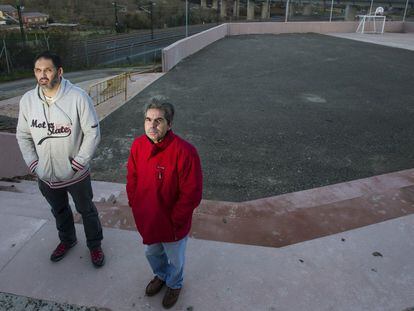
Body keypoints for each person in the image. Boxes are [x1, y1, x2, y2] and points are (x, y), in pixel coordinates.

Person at [16, 51, 105, 267]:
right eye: (38, 70)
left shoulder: (78, 97)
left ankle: (95, 246)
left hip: (76, 174)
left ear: (60, 71)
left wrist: (78, 162)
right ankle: (68, 240)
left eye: (47, 70)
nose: (42, 75)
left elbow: (93, 133)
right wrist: (34, 164)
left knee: (86, 210)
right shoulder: (28, 100)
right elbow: (23, 134)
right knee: (59, 210)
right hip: (46, 176)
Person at [126, 100, 202, 309]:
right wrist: (135, 204)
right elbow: (132, 177)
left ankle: (174, 283)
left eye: (158, 120)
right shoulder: (138, 145)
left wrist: (175, 221)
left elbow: (192, 193)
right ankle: (160, 275)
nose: (152, 125)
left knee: (175, 259)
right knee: (152, 253)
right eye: (148, 120)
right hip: (149, 219)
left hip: (172, 224)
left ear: (169, 124)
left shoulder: (185, 152)